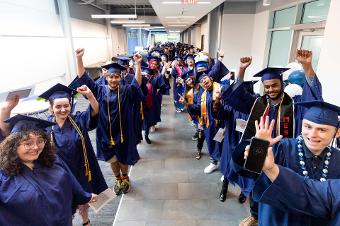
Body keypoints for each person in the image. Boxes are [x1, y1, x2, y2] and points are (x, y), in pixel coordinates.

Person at [230, 50, 322, 226]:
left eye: (274, 85)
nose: (271, 89)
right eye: (267, 86)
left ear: (282, 83)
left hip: (285, 155)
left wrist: (307, 66)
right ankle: (255, 216)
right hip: (260, 153)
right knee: (258, 186)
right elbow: (236, 97)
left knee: (282, 187)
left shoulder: (295, 105)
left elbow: (314, 96)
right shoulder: (258, 102)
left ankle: (277, 219)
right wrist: (241, 70)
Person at [245, 100, 340, 225]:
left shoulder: (338, 159)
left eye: (322, 130)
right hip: (278, 220)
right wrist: (256, 153)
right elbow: (249, 174)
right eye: (308, 126)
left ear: (337, 132)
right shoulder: (282, 148)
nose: (312, 134)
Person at [0, 114, 97, 226]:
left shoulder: (52, 160)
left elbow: (70, 180)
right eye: (28, 143)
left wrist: (85, 196)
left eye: (40, 141)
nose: (36, 147)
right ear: (13, 145)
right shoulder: (3, 176)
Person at [71, 48, 142, 196]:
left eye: (116, 76)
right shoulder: (99, 90)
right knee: (112, 160)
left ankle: (125, 178)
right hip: (105, 133)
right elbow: (84, 77)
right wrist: (79, 59)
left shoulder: (127, 90)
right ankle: (118, 179)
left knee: (123, 159)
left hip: (124, 133)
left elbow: (137, 84)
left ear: (120, 77)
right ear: (106, 77)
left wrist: (138, 65)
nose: (113, 79)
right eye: (111, 77)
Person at [39, 83, 107, 226]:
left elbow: (96, 111)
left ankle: (85, 220)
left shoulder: (78, 120)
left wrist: (89, 95)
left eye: (66, 105)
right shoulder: (45, 129)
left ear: (71, 105)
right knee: (65, 204)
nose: (63, 110)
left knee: (85, 199)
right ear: (50, 109)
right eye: (58, 107)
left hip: (82, 169)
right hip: (60, 174)